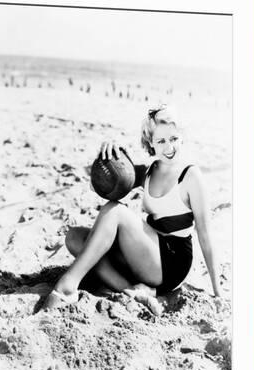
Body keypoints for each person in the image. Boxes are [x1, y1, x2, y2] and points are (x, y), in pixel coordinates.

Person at [43, 105, 224, 315]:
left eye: (173, 138)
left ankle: (67, 287)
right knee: (74, 238)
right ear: (150, 144)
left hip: (171, 262)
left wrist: (217, 292)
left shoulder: (191, 176)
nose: (169, 147)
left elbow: (205, 235)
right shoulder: (147, 173)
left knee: (116, 212)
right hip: (145, 254)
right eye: (161, 141)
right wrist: (110, 155)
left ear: (181, 137)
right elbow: (102, 187)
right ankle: (132, 292)